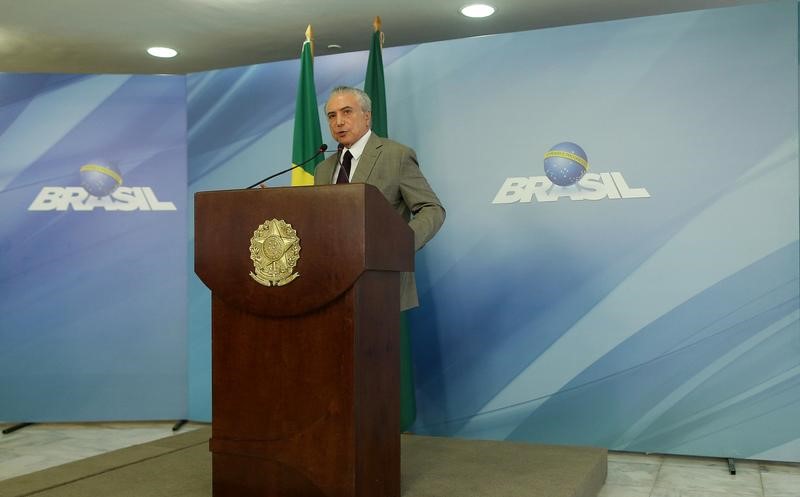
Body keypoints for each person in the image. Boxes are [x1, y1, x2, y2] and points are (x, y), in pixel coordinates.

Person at [314, 86, 445, 311]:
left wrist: (402, 243)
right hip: (331, 286)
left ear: (367, 117)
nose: (339, 122)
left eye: (347, 112)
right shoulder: (322, 169)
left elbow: (432, 209)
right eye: (331, 115)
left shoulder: (396, 155)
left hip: (381, 284)